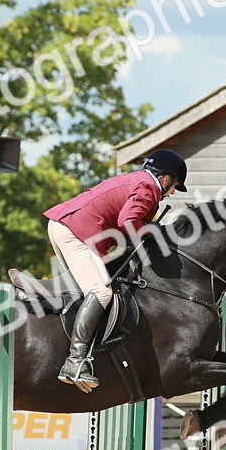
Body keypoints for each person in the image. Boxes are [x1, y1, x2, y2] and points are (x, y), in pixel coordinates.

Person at [43, 149, 187, 391]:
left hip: (65, 225)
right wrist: (153, 230)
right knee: (101, 293)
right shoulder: (148, 187)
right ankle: (75, 361)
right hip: (75, 232)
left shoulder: (135, 180)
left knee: (86, 291)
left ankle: (77, 351)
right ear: (165, 178)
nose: (171, 192)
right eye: (174, 186)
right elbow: (128, 222)